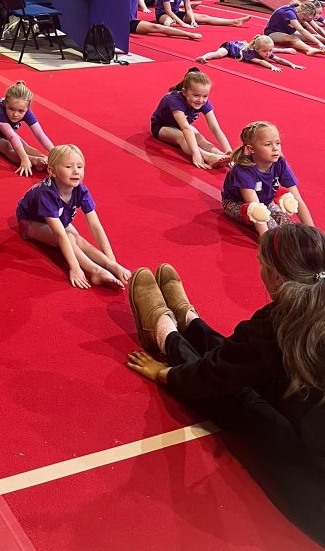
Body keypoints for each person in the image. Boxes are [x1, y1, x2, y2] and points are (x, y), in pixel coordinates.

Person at [125, 226, 325, 548]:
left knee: (243, 399)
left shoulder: (275, 324)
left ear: (274, 277)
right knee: (255, 369)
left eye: (261, 263)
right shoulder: (298, 313)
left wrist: (165, 373)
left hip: (317, 492)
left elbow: (211, 378)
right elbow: (241, 355)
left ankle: (165, 332)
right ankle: (190, 322)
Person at [16, 144, 131, 289]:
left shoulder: (80, 190)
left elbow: (96, 226)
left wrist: (112, 261)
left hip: (58, 218)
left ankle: (109, 266)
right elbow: (60, 235)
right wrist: (75, 267)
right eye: (68, 167)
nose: (76, 171)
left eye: (80, 166)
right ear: (52, 171)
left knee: (78, 239)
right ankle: (95, 271)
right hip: (29, 222)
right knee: (69, 237)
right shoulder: (46, 195)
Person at [221, 121, 314, 236]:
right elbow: (255, 208)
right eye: (268, 144)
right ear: (251, 149)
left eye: (278, 143)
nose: (275, 148)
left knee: (288, 226)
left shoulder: (280, 163)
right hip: (238, 203)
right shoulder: (244, 170)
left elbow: (297, 199)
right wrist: (266, 239)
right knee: (272, 227)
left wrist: (313, 233)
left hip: (265, 201)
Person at [150, 68, 232, 170]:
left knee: (200, 138)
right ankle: (208, 156)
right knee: (182, 137)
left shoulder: (203, 102)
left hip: (182, 126)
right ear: (184, 92)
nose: (201, 100)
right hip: (162, 127)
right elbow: (185, 128)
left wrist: (228, 151)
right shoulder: (174, 100)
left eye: (205, 96)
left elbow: (215, 127)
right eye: (196, 95)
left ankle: (219, 154)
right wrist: (196, 153)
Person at [0, 81, 54, 176]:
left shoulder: (25, 111)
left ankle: (45, 160)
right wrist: (24, 159)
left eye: (21, 111)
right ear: (6, 103)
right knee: (6, 146)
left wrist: (54, 153)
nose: (15, 114)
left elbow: (39, 134)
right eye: (11, 109)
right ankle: (35, 161)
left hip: (4, 133)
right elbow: (11, 136)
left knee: (25, 146)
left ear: (27, 108)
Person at [196, 34, 304, 73]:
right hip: (229, 47)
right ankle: (204, 57)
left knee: (270, 51)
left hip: (242, 45)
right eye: (265, 51)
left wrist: (292, 64)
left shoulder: (264, 51)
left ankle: (283, 50)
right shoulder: (250, 54)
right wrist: (272, 66)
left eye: (270, 50)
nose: (268, 54)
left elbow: (279, 59)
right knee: (219, 54)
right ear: (256, 49)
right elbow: (260, 62)